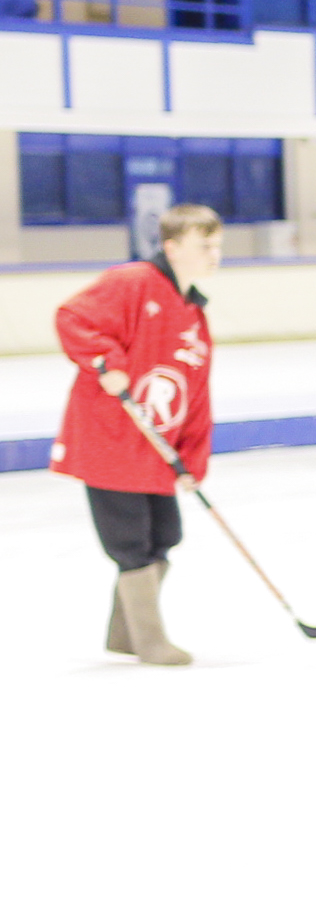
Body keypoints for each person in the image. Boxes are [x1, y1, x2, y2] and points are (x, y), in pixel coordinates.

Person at [50, 201, 221, 667]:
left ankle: (124, 635)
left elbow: (196, 398)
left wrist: (191, 460)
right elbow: (74, 318)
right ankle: (150, 641)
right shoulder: (133, 282)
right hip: (111, 438)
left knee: (166, 533)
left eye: (217, 244)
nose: (215, 253)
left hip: (154, 448)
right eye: (204, 245)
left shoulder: (193, 314)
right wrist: (106, 362)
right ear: (171, 246)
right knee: (131, 542)